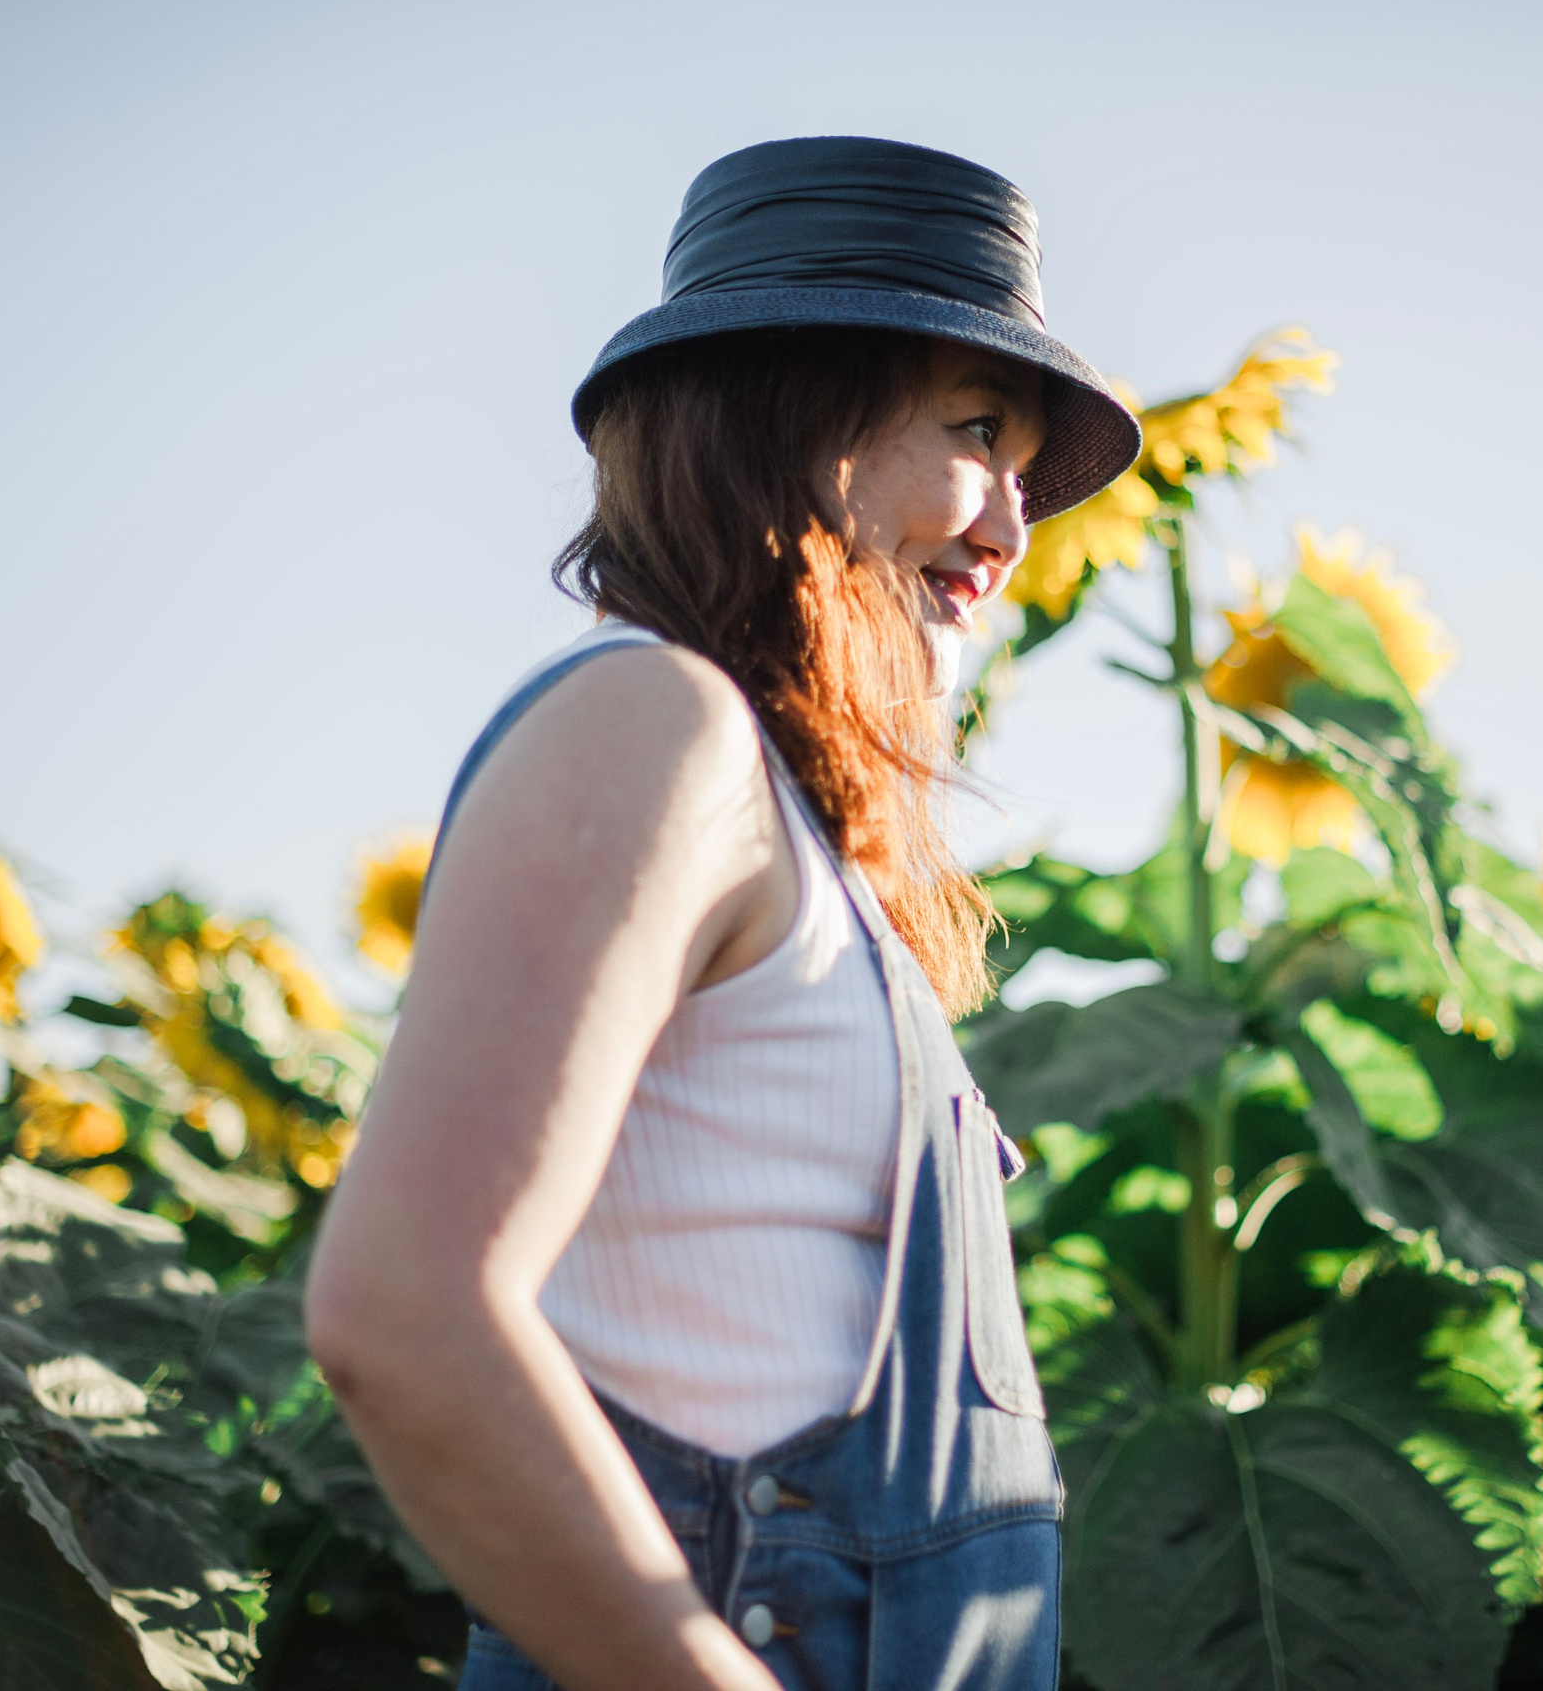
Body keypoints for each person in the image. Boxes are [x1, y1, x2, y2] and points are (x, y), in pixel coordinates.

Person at [303, 136, 1141, 1691]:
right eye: (978, 432)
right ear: (791, 416)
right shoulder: (651, 726)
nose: (1012, 529)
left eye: (1025, 468)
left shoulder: (781, 820)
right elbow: (405, 1310)